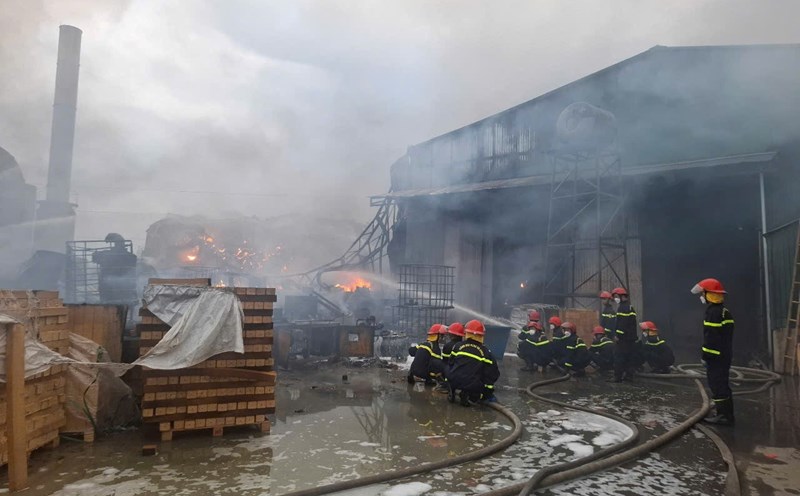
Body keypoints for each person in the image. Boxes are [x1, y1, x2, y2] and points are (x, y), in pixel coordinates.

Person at [692, 278, 735, 426]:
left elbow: (711, 338)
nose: (701, 296)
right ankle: (725, 413)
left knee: (717, 385)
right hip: (724, 355)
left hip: (715, 358)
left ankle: (723, 416)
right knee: (722, 384)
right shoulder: (724, 311)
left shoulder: (713, 313)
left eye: (703, 293)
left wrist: (706, 356)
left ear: (709, 294)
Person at [447, 320, 500, 406]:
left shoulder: (457, 346)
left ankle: (451, 389)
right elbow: (493, 373)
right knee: (483, 374)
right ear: (481, 336)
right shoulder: (486, 352)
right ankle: (471, 395)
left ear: (467, 333)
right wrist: (487, 392)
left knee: (448, 367)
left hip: (454, 380)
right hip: (472, 385)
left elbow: (450, 362)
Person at [611, 287, 638, 382]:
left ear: (622, 296)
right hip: (630, 339)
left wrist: (618, 335)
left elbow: (622, 324)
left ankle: (617, 377)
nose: (615, 299)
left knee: (619, 357)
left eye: (616, 296)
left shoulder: (623, 307)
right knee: (629, 358)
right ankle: (629, 376)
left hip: (624, 339)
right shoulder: (629, 306)